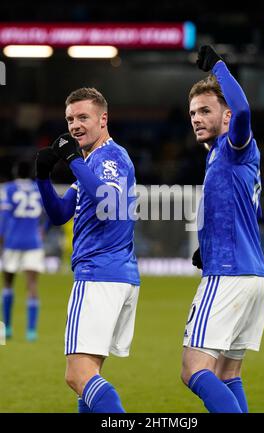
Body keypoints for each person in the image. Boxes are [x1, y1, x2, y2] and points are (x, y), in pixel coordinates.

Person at [35, 87, 140, 413]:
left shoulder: (109, 157)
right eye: (70, 119)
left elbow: (106, 199)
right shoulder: (92, 161)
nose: (75, 125)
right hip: (115, 276)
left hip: (99, 275)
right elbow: (59, 214)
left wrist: (71, 161)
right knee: (88, 379)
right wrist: (43, 177)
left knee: (77, 374)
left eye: (83, 117)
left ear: (102, 119)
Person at [181, 46, 264, 413]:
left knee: (193, 369)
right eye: (192, 113)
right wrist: (208, 244)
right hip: (251, 276)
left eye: (205, 110)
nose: (197, 118)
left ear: (227, 115)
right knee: (228, 373)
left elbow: (245, 110)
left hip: (229, 275)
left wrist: (218, 67)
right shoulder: (219, 154)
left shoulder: (236, 145)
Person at [0, 160, 45, 341]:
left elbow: (3, 217)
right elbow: (50, 213)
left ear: (15, 171)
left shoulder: (8, 189)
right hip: (34, 242)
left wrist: (1, 240)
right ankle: (31, 331)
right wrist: (44, 229)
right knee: (32, 286)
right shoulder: (38, 189)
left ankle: (8, 327)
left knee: (8, 284)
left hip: (12, 242)